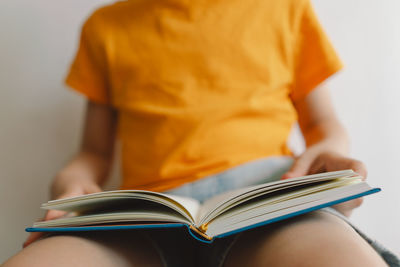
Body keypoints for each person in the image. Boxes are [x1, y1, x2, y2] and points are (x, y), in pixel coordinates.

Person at [4, 0, 398, 266]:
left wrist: (329, 156)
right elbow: (93, 152)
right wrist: (73, 181)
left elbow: (323, 124)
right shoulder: (104, 27)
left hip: (267, 196)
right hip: (148, 214)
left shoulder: (283, 8)